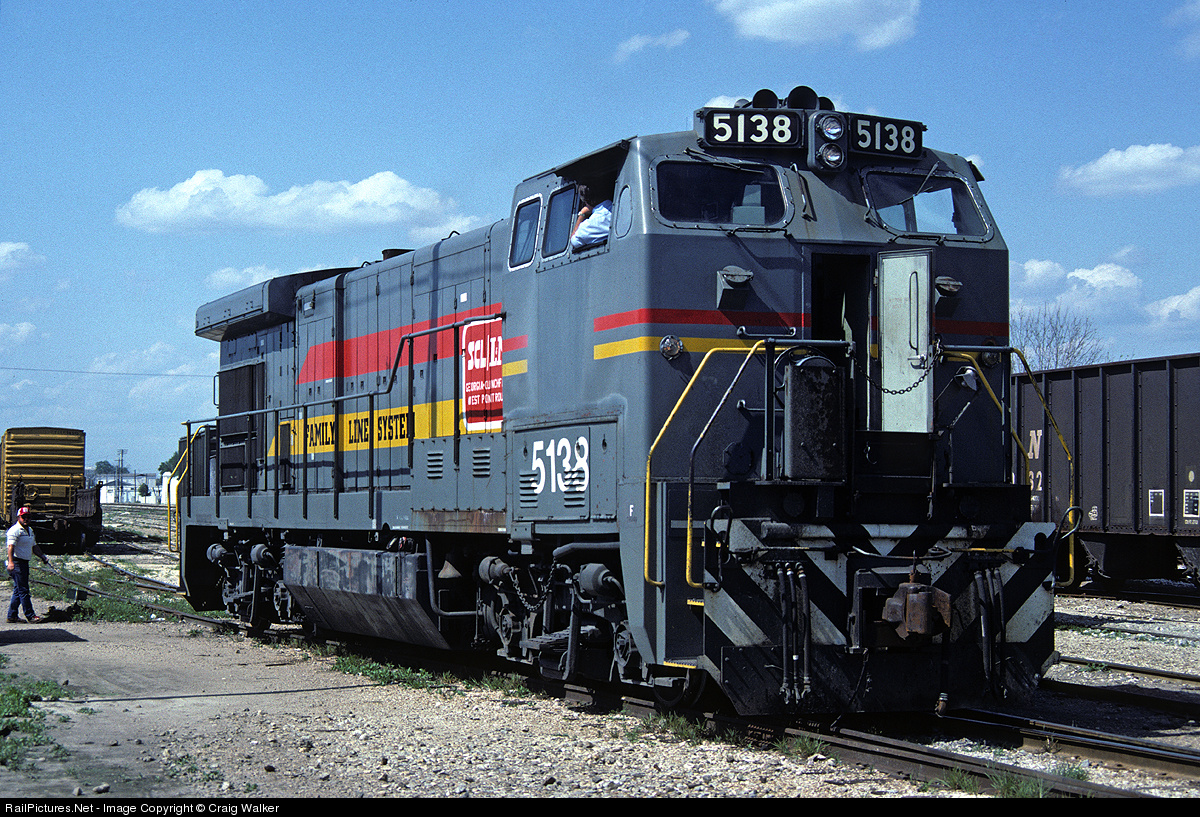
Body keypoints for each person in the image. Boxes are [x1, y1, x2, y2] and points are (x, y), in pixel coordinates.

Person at [7, 506, 48, 623]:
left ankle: (12, 615)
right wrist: (10, 562)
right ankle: (30, 615)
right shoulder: (14, 530)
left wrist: (42, 556)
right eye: (23, 517)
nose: (26, 519)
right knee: (24, 590)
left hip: (24, 562)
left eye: (28, 517)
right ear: (18, 517)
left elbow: (34, 546)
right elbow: (10, 547)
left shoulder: (29, 530)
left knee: (18, 589)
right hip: (17, 562)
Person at [570, 184, 613, 250]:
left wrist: (582, 215)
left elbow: (574, 242)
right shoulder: (618, 207)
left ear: (586, 202)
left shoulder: (587, 226)